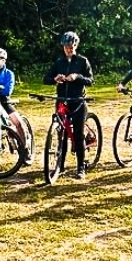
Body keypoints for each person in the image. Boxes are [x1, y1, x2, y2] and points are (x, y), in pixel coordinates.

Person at [44, 31, 94, 180]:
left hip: (78, 101)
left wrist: (77, 77)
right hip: (62, 101)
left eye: (71, 46)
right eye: (66, 47)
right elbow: (46, 79)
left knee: (78, 135)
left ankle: (80, 167)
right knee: (61, 134)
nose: (68, 49)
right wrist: (55, 78)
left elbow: (90, 80)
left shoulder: (83, 61)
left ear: (76, 45)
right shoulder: (59, 62)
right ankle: (61, 165)